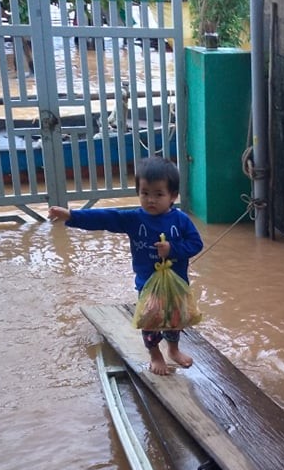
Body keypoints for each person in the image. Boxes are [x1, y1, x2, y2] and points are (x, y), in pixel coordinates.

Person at [48, 156, 204, 376]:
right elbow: (104, 218)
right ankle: (155, 355)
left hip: (176, 284)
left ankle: (173, 349)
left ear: (173, 196)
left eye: (158, 194)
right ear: (138, 192)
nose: (151, 200)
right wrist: (72, 216)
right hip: (147, 284)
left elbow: (196, 244)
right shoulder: (134, 219)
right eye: (145, 193)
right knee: (150, 320)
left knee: (174, 319)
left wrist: (173, 249)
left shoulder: (181, 221)